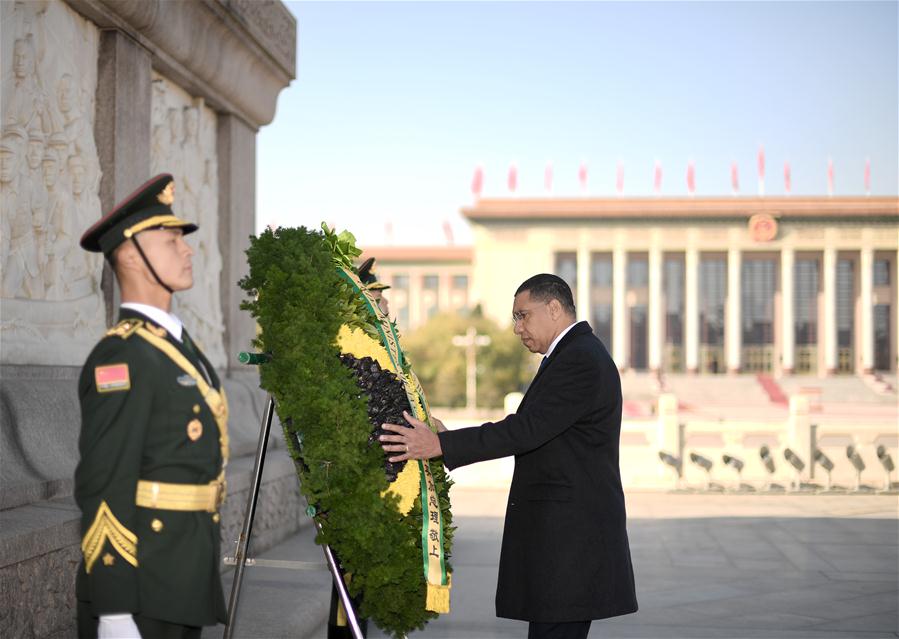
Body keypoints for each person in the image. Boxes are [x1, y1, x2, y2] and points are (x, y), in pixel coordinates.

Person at [380, 273, 638, 639]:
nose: (517, 328)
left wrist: (441, 445)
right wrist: (447, 439)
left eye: (522, 315)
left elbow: (525, 430)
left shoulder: (580, 358)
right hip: (564, 540)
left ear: (554, 308)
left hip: (571, 541)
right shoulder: (571, 354)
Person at [75, 174, 229, 639]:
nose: (187, 250)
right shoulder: (122, 355)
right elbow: (105, 483)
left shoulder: (175, 345)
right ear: (129, 255)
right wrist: (114, 608)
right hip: (142, 586)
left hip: (182, 574)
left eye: (183, 239)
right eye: (170, 240)